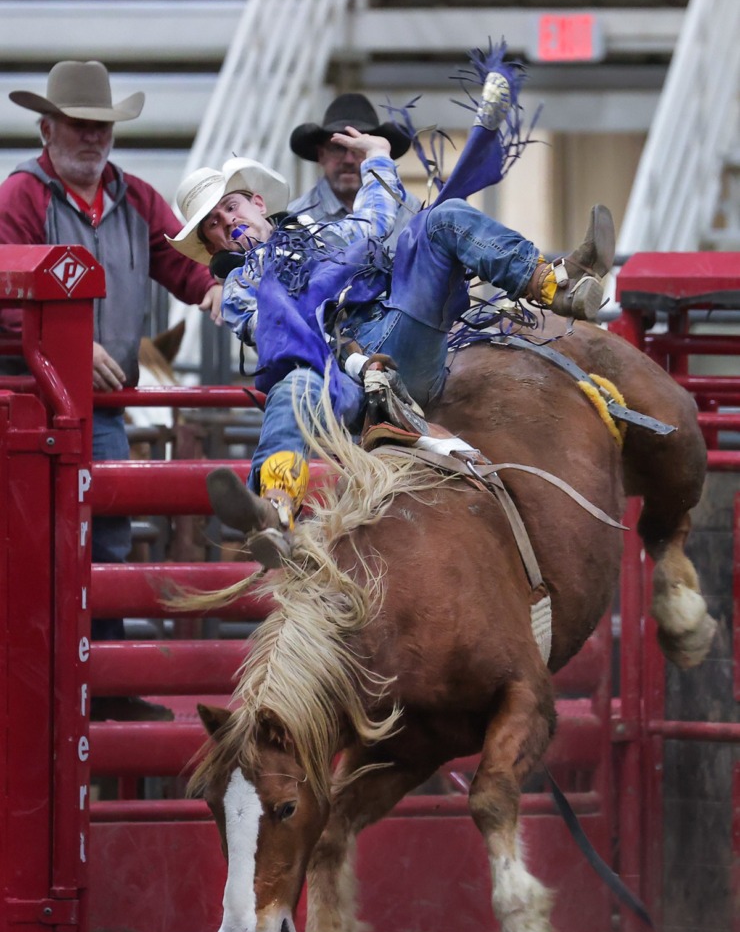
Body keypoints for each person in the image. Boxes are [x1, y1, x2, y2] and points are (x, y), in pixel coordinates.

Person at [167, 69, 615, 570]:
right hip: (336, 379)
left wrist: (378, 161)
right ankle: (276, 511)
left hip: (392, 340)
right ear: (212, 245)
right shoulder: (240, 286)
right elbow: (276, 335)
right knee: (294, 383)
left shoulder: (316, 229)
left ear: (255, 203)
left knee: (440, 220)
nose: (228, 222)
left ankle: (555, 286)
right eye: (215, 224)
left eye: (229, 208)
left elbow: (372, 229)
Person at [0, 61, 222, 657]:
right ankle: (61, 684)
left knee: (106, 544)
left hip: (97, 408)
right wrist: (67, 342)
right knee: (36, 546)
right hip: (31, 405)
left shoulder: (135, 199)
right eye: (78, 124)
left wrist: (216, 288)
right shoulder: (20, 197)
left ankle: (100, 683)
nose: (92, 136)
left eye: (101, 125)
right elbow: (6, 295)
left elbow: (182, 261)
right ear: (48, 130)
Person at [288, 92, 421, 251]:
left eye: (359, 149)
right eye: (338, 148)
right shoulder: (296, 218)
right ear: (321, 154)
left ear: (375, 152)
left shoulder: (410, 210)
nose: (349, 160)